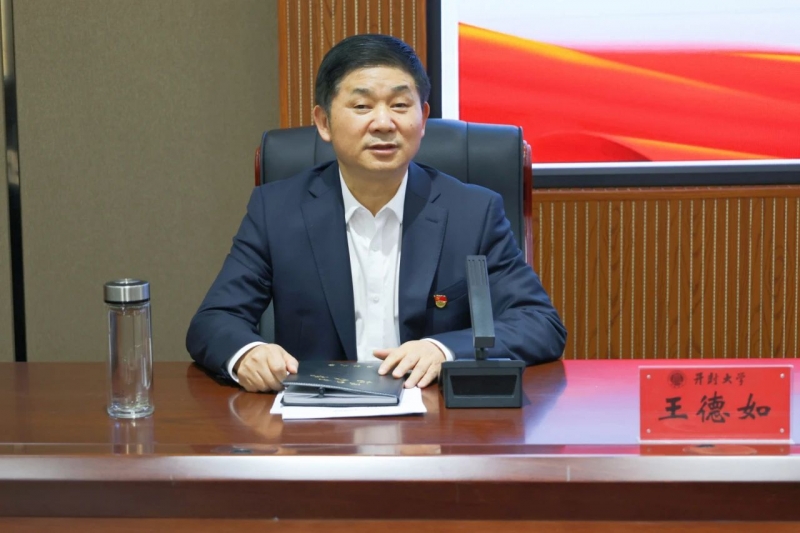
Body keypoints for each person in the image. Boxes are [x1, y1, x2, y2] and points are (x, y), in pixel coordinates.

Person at [186, 34, 566, 393]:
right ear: (323, 122)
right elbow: (215, 320)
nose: (384, 123)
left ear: (423, 119)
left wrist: (444, 349)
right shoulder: (277, 210)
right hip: (317, 420)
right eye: (362, 106)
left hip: (433, 419)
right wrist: (247, 353)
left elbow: (539, 322)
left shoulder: (473, 212)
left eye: (400, 105)